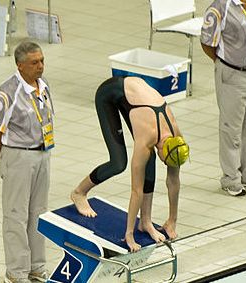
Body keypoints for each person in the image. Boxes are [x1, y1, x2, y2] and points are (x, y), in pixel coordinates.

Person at [70, 76, 189, 252]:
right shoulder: (147, 138)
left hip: (136, 100)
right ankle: (79, 192)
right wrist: (129, 234)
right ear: (164, 149)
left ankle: (146, 222)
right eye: (166, 161)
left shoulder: (176, 139)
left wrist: (172, 220)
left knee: (150, 158)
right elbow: (136, 191)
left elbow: (173, 181)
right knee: (118, 163)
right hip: (110, 93)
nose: (166, 164)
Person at [0, 41, 54, 283]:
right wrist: (7, 156)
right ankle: (16, 273)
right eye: (34, 63)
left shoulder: (44, 87)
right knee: (16, 216)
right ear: (20, 65)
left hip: (43, 153)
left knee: (39, 213)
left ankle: (37, 267)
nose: (40, 66)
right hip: (18, 156)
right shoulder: (7, 93)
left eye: (42, 61)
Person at [200, 0, 246, 196]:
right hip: (234, 75)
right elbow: (207, 43)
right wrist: (226, 64)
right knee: (230, 129)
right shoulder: (220, 7)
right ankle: (231, 179)